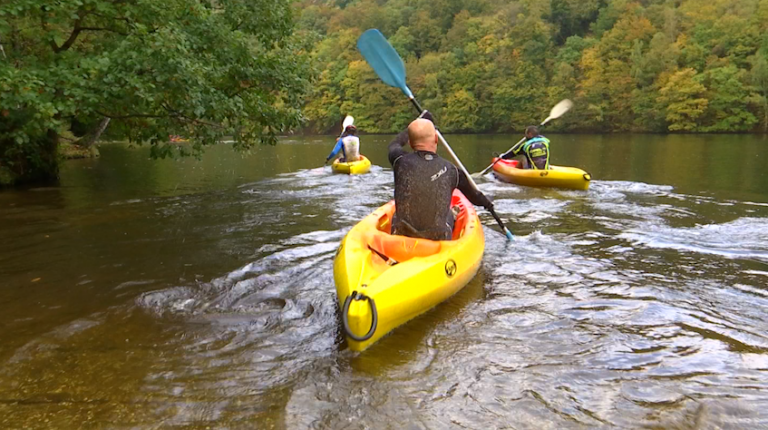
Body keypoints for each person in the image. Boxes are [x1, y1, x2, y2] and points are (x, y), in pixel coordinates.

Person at [388, 112, 494, 241]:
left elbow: (395, 144)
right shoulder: (453, 170)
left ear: (410, 143)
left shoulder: (399, 160)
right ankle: (453, 215)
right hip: (438, 238)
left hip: (403, 234)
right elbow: (475, 197)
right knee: (448, 212)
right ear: (436, 139)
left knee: (395, 214)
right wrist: (487, 203)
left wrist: (420, 120)